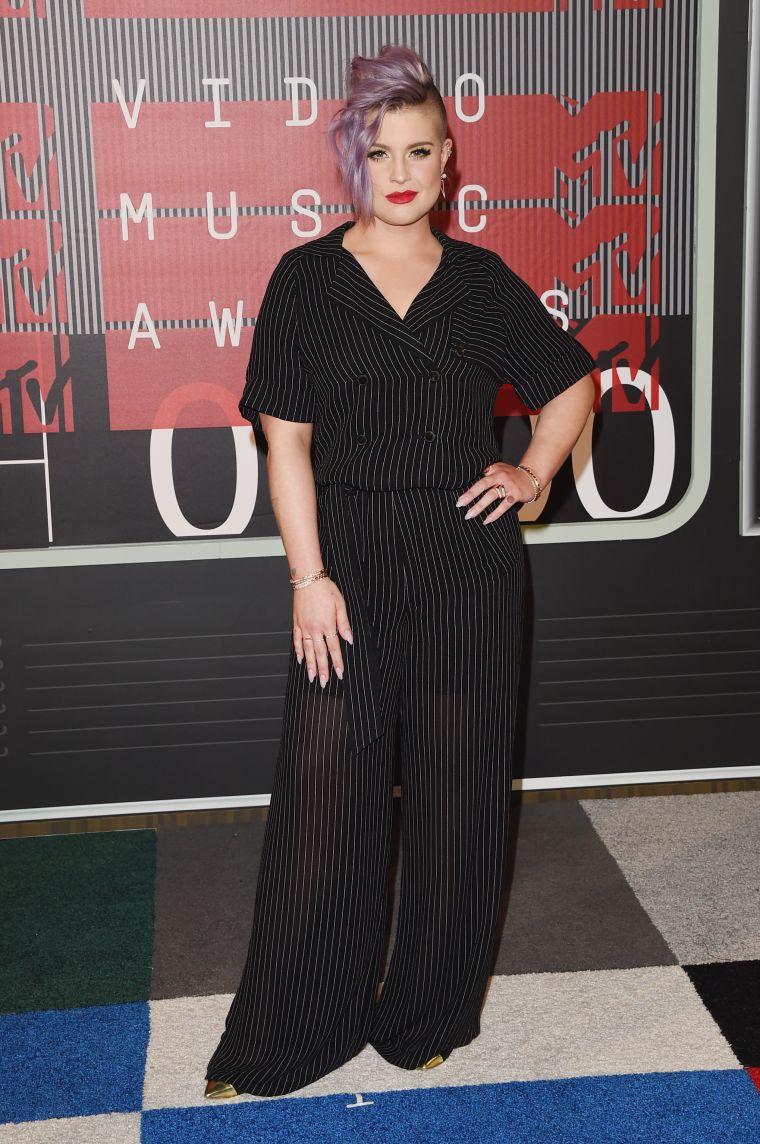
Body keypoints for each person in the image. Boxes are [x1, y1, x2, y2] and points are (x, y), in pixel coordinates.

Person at [204, 43, 595, 1100]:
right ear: (352, 161)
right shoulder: (308, 281)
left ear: (449, 156)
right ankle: (291, 1031)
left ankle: (426, 1010)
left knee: (462, 794)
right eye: (379, 152)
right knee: (327, 795)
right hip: (348, 562)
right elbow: (283, 444)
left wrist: (533, 471)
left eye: (419, 149)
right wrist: (307, 578)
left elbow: (570, 384)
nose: (401, 171)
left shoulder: (479, 283)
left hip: (465, 561)